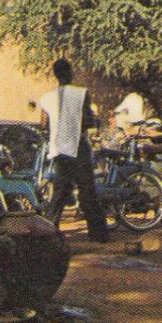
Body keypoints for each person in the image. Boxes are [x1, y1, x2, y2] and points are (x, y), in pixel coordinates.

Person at [38, 58, 110, 241]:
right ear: (70, 73)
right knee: (88, 191)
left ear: (55, 75)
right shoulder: (81, 94)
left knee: (60, 192)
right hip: (79, 146)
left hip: (60, 148)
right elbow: (88, 121)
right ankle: (98, 234)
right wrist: (92, 121)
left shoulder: (46, 98)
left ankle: (47, 232)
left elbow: (43, 124)